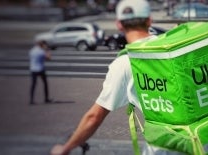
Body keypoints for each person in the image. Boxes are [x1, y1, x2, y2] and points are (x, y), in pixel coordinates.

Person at [50, 0, 183, 154]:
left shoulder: (125, 63)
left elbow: (94, 117)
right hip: (199, 143)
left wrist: (65, 149)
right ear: (149, 21)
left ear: (119, 24)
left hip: (164, 148)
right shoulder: (173, 49)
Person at [29, 40, 52, 105]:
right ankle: (46, 98)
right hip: (40, 69)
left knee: (33, 85)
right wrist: (47, 50)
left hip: (33, 69)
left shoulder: (32, 50)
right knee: (45, 84)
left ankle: (31, 99)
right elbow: (49, 58)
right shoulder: (41, 51)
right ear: (42, 45)